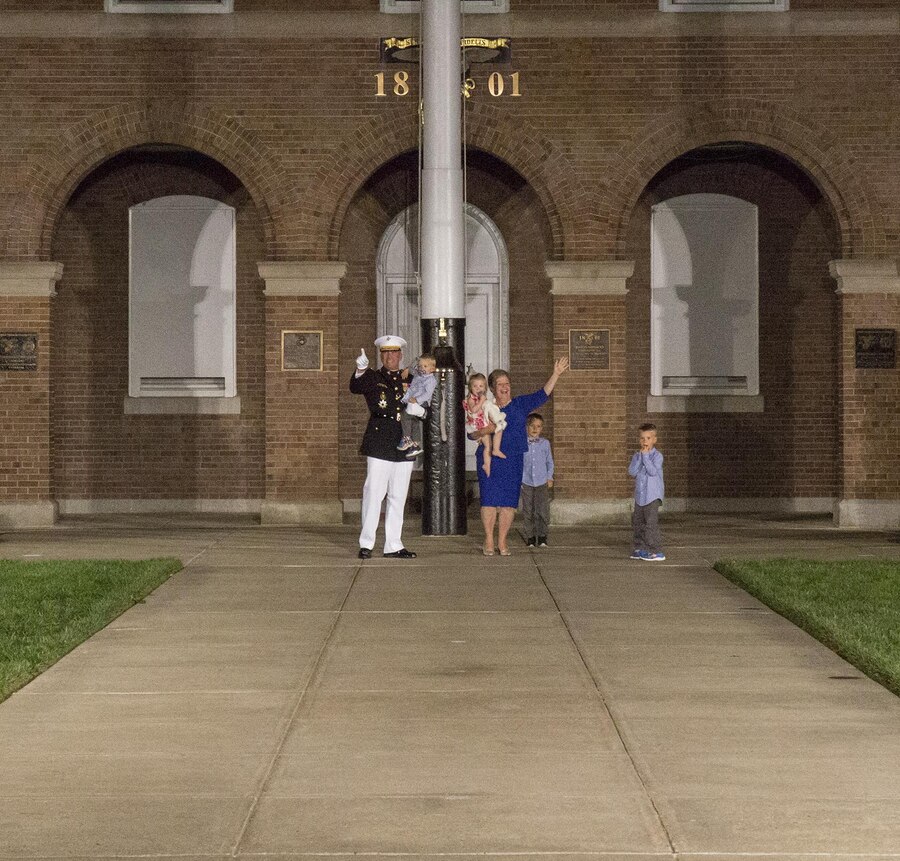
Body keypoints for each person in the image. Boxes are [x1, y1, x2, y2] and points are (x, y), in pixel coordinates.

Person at [472, 357, 569, 556]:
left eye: (507, 383)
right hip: (489, 458)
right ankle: (489, 539)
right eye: (500, 384)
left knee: (508, 503)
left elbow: (542, 394)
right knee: (489, 501)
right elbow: (470, 433)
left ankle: (502, 541)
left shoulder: (519, 404)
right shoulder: (484, 407)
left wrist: (556, 374)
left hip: (513, 459)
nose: (505, 387)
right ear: (492, 388)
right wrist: (484, 431)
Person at [349, 335, 417, 560]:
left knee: (398, 495)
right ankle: (366, 542)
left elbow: (425, 399)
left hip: (405, 440)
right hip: (380, 439)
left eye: (394, 352)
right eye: (385, 353)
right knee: (374, 493)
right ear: (381, 356)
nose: (390, 357)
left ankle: (394, 544)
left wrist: (422, 410)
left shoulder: (412, 378)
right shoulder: (373, 377)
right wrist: (361, 369)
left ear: (401, 355)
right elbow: (355, 387)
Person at [628, 422, 665, 561]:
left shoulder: (657, 456)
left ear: (654, 440)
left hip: (652, 496)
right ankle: (640, 547)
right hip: (640, 496)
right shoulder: (637, 456)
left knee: (650, 524)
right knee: (638, 523)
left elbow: (652, 471)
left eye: (648, 438)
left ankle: (655, 550)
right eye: (642, 438)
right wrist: (640, 457)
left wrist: (645, 457)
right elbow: (632, 471)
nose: (645, 441)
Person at [462, 372, 507, 478]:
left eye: (481, 386)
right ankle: (488, 461)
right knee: (487, 445)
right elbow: (473, 410)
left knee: (493, 438)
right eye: (475, 386)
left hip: (483, 422)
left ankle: (489, 460)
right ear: (471, 388)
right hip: (477, 424)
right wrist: (481, 401)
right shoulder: (471, 399)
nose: (478, 388)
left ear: (485, 388)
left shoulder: (483, 399)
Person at [521, 412, 554, 548]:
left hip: (541, 481)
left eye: (538, 426)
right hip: (526, 481)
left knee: (542, 510)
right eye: (532, 426)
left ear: (542, 428)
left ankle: (542, 536)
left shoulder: (545, 444)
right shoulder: (522, 443)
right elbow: (519, 463)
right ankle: (530, 537)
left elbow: (549, 462)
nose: (535, 429)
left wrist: (549, 477)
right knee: (528, 510)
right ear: (527, 427)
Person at [397, 353, 437, 459]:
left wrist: (417, 399)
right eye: (420, 366)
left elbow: (428, 394)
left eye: (425, 366)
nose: (421, 368)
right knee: (413, 421)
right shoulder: (418, 374)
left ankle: (407, 438)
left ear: (432, 369)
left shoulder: (430, 380)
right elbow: (413, 369)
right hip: (413, 401)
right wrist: (407, 369)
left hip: (421, 403)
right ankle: (415, 445)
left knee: (405, 415)